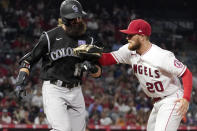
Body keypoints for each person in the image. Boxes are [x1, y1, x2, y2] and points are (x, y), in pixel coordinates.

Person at [15, 0, 102, 131]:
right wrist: (20, 81)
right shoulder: (50, 37)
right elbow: (28, 60)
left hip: (76, 90)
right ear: (66, 19)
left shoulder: (88, 40)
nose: (79, 20)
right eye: (75, 18)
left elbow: (98, 72)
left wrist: (92, 68)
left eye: (80, 17)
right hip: (54, 89)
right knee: (63, 129)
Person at [98, 19, 193, 131]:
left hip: (172, 99)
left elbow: (186, 73)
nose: (127, 38)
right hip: (156, 102)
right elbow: (107, 59)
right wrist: (93, 55)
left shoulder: (162, 56)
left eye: (131, 35)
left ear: (142, 37)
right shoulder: (129, 51)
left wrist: (186, 98)